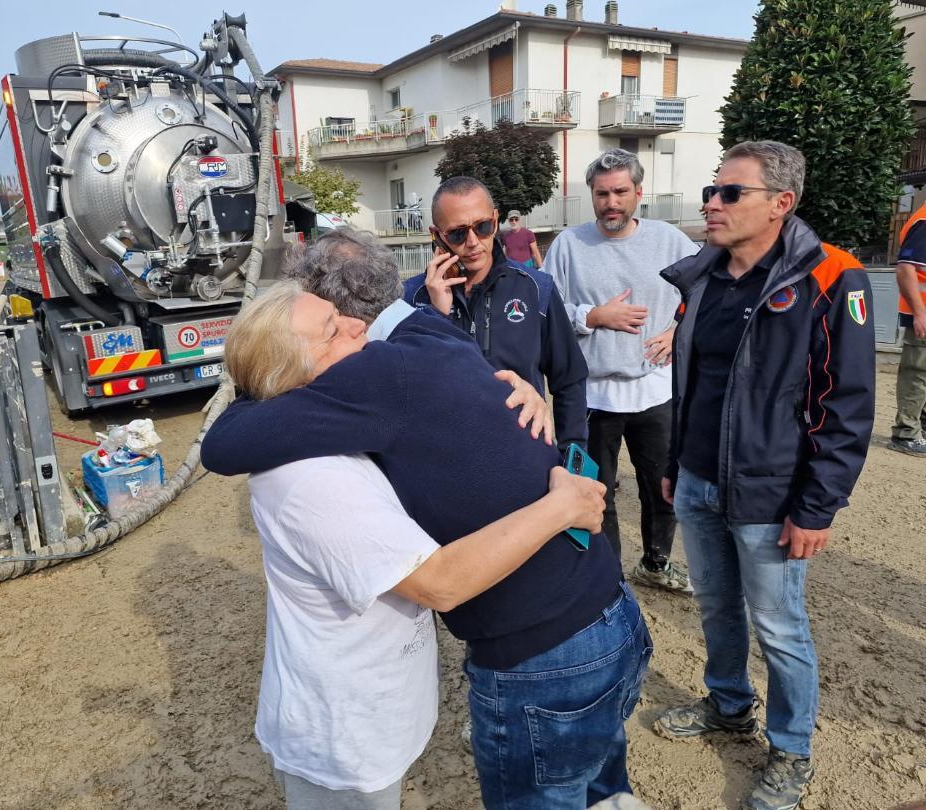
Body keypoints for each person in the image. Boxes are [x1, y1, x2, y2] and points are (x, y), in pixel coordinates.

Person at [203, 229, 652, 810]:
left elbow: (222, 446)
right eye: (331, 327)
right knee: (602, 790)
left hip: (543, 657)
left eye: (342, 316)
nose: (354, 327)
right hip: (609, 614)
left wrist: (262, 376)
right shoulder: (432, 331)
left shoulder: (367, 378)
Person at [654, 141, 875, 810]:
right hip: (697, 480)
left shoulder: (834, 276)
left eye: (729, 193)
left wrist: (817, 506)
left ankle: (791, 750)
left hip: (771, 492)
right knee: (717, 607)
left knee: (780, 626)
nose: (710, 203)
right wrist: (672, 466)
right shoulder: (703, 276)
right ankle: (728, 706)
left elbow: (848, 404)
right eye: (711, 190)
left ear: (781, 203)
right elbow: (687, 382)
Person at [543, 148, 698, 593]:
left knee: (662, 486)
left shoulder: (670, 241)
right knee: (598, 491)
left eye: (620, 192)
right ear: (591, 197)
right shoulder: (569, 246)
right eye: (601, 193)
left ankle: (656, 562)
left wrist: (677, 331)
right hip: (592, 396)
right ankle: (607, 577)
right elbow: (548, 311)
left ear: (638, 193)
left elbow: (707, 291)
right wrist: (593, 317)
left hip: (655, 389)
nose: (611, 202)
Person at [403, 177, 588, 452]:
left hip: (524, 458)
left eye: (482, 227)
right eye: (457, 233)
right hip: (444, 459)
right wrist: (435, 316)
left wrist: (573, 461)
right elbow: (407, 388)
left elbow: (569, 380)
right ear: (436, 234)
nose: (473, 242)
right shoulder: (411, 297)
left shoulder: (537, 288)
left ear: (495, 218)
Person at [890, 200, 926, 456]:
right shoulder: (924, 223)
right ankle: (906, 433)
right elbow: (905, 268)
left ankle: (919, 428)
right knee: (918, 373)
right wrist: (919, 313)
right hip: (924, 313)